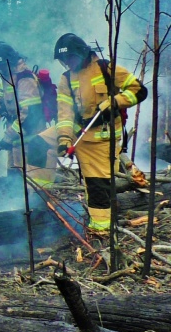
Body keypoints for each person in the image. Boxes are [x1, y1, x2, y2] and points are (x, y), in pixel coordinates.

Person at [54, 33, 146, 235]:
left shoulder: (106, 68)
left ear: (82, 53)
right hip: (82, 137)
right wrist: (64, 139)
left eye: (70, 58)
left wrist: (115, 102)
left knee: (99, 183)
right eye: (64, 60)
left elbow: (139, 90)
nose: (68, 63)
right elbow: (65, 113)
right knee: (90, 182)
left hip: (105, 137)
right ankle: (98, 221)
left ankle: (102, 231)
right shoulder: (66, 79)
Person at [0, 42, 57, 185]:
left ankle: (37, 205)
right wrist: (0, 107)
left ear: (9, 61)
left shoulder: (25, 78)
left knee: (32, 181)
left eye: (0, 66)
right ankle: (17, 204)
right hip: (17, 138)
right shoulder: (7, 77)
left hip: (31, 139)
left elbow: (29, 114)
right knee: (14, 178)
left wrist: (7, 138)